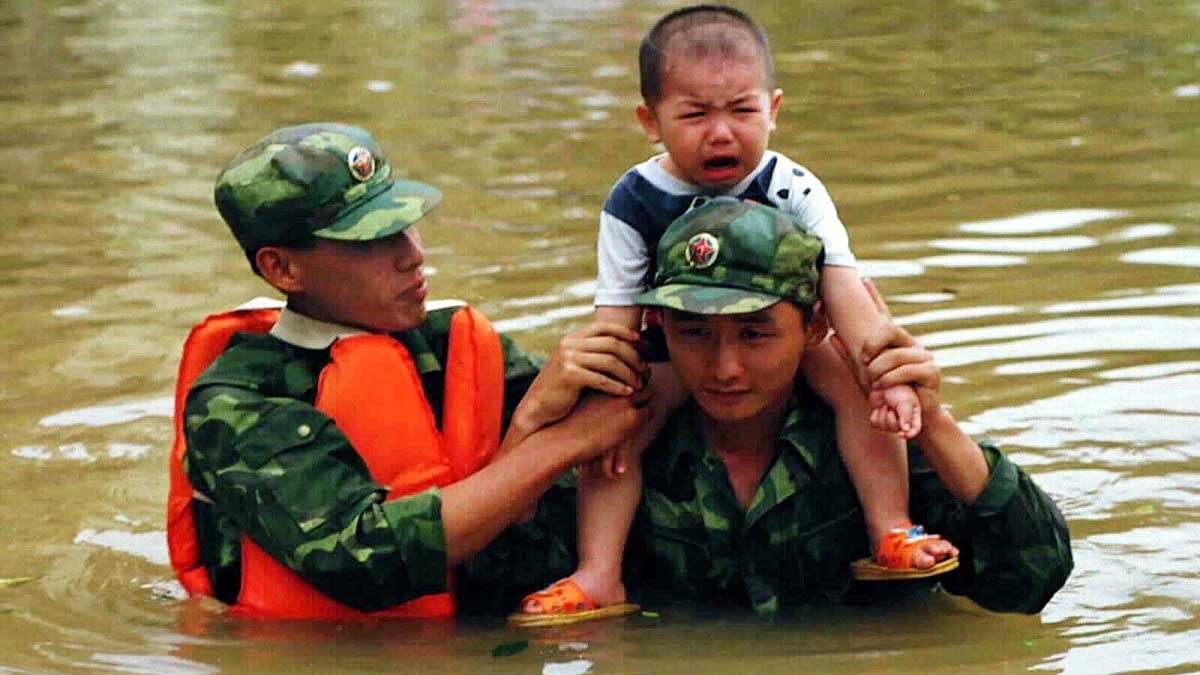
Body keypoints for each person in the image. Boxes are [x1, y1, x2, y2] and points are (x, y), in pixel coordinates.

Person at [515, 4, 952, 623]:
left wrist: (885, 369)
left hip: (786, 341)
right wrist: (607, 400)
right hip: (677, 349)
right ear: (650, 120)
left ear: (774, 110)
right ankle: (599, 572)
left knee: (860, 387)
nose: (720, 133)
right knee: (615, 425)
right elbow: (617, 318)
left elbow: (844, 290)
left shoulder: (793, 187)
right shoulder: (632, 201)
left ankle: (891, 528)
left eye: (742, 111)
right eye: (693, 115)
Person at [167, 123, 654, 619]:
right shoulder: (237, 401)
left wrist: (529, 420)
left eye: (406, 224)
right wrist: (559, 444)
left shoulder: (451, 344)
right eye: (370, 241)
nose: (414, 255)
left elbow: (607, 435)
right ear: (282, 270)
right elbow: (365, 558)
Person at [618, 198, 1072, 614]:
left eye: (754, 334)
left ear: (815, 326)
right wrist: (548, 423)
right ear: (661, 327)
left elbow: (1032, 580)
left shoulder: (876, 437)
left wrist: (932, 421)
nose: (725, 368)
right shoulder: (626, 449)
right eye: (695, 333)